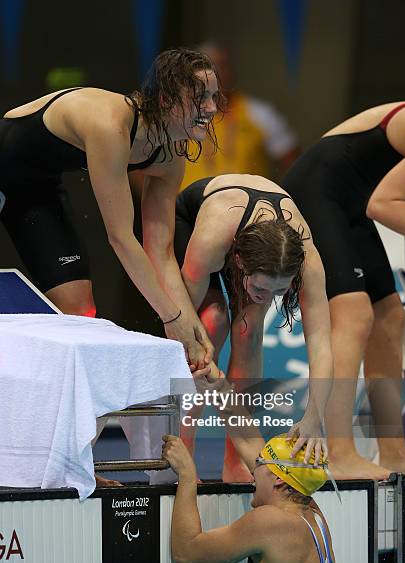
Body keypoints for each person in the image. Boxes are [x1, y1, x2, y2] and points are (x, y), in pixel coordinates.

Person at [0, 48, 224, 368]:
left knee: (79, 315)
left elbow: (159, 251)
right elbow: (120, 237)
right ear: (164, 100)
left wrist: (189, 326)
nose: (212, 108)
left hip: (37, 190)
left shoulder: (170, 156)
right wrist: (170, 317)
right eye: (200, 97)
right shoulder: (111, 125)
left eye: (215, 97)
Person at [282, 101, 405, 479]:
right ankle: (338, 452)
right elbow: (386, 204)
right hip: (318, 191)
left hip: (349, 202)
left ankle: (393, 451)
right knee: (354, 312)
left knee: (388, 314)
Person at [175, 173, 332, 481]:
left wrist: (315, 416)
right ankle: (184, 449)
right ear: (239, 262)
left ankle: (235, 460)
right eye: (262, 289)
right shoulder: (211, 241)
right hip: (191, 219)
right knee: (210, 323)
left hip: (257, 237)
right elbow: (182, 325)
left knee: (249, 330)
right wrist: (199, 354)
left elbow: (321, 340)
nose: (269, 298)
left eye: (280, 290)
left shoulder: (307, 260)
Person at [163, 433, 338, 563]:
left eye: (258, 463)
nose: (253, 472)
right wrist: (228, 405)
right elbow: (249, 440)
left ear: (278, 478)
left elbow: (186, 553)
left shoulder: (271, 520)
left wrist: (187, 473)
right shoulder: (314, 515)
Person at [180, 43, 299, 190]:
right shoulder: (178, 115)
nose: (214, 74)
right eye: (206, 68)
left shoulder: (259, 113)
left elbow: (293, 163)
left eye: (221, 66)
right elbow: (146, 159)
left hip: (247, 209)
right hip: (189, 211)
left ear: (232, 71)